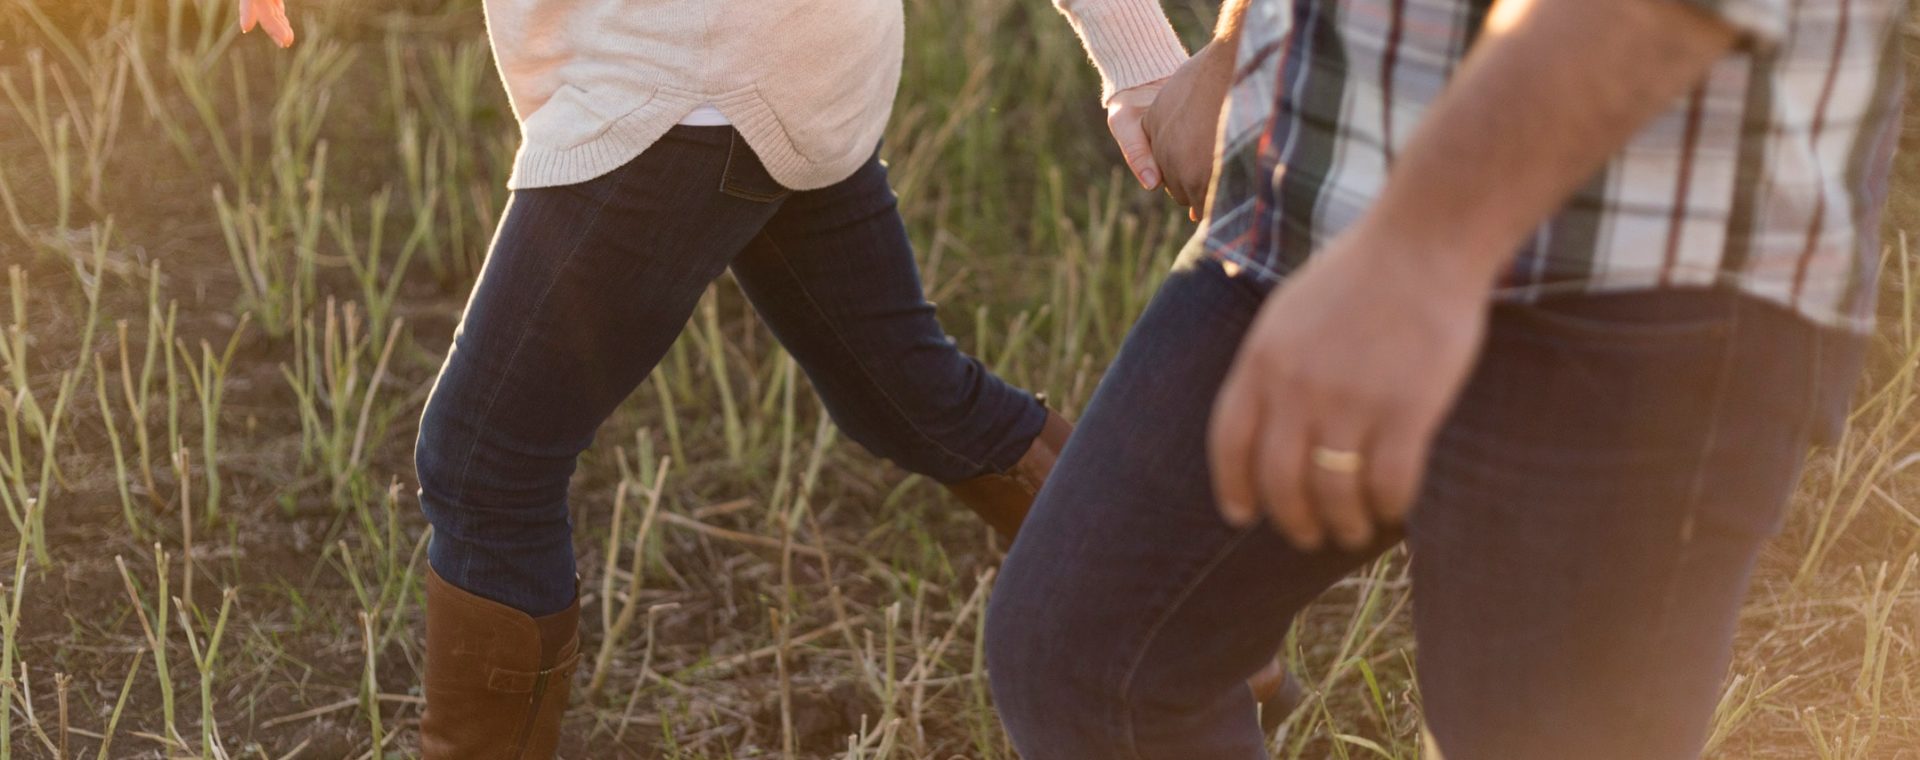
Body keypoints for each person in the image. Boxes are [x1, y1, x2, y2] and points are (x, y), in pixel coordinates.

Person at [237, 0, 1292, 756]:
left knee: (482, 460)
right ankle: (1202, 635)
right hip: (792, 64)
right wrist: (1144, 65)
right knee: (909, 396)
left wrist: (1147, 66)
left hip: (683, 83)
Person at [988, 0, 1901, 757]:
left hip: (1641, 252)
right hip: (1327, 174)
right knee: (1092, 664)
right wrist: (1239, 37)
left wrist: (1421, 252)